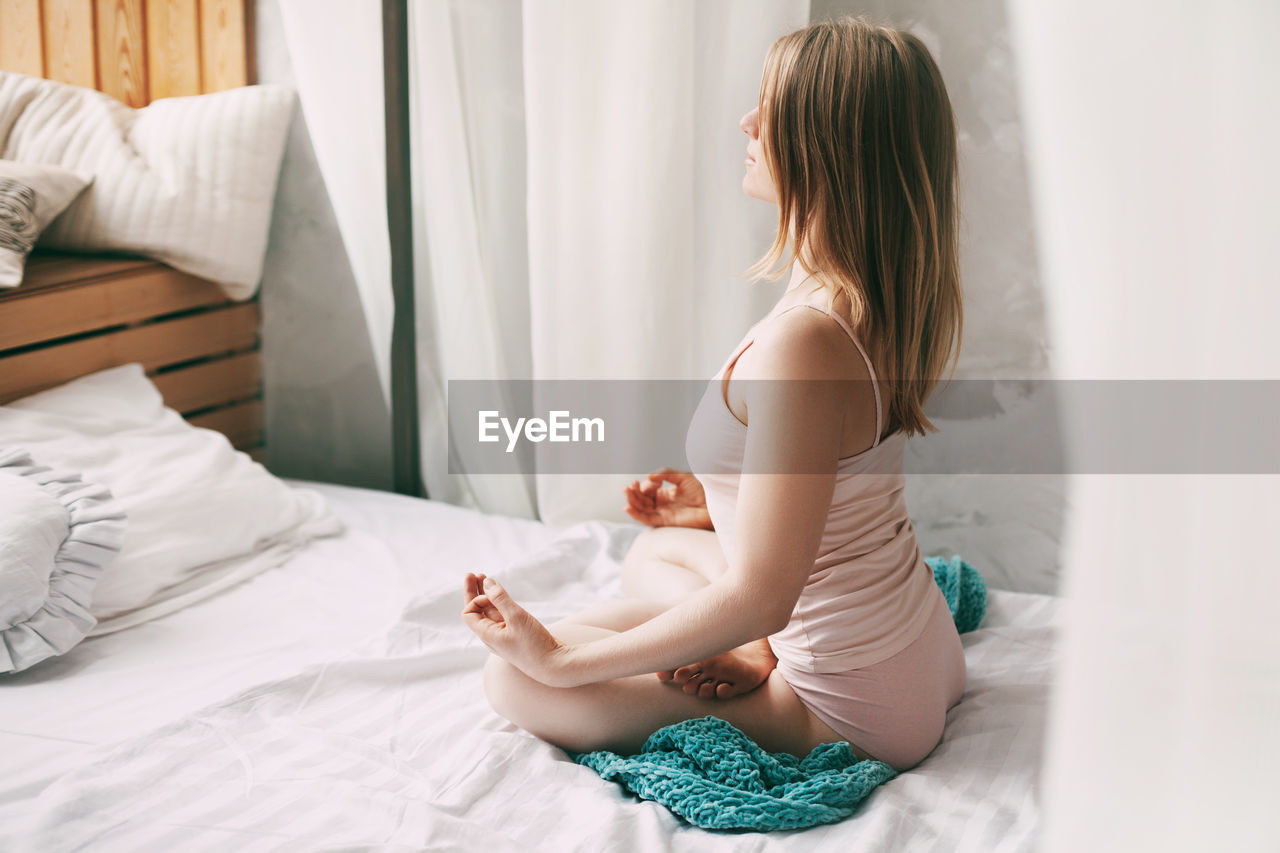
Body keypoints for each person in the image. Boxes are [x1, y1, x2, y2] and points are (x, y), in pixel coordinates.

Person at [462, 15, 967, 772]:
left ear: (827, 145)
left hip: (853, 702)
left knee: (513, 677)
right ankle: (749, 644)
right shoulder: (867, 298)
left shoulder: (805, 341)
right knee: (656, 552)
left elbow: (766, 591)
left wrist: (559, 664)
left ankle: (759, 658)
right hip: (919, 644)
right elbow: (840, 474)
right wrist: (718, 500)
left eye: (772, 110)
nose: (747, 121)